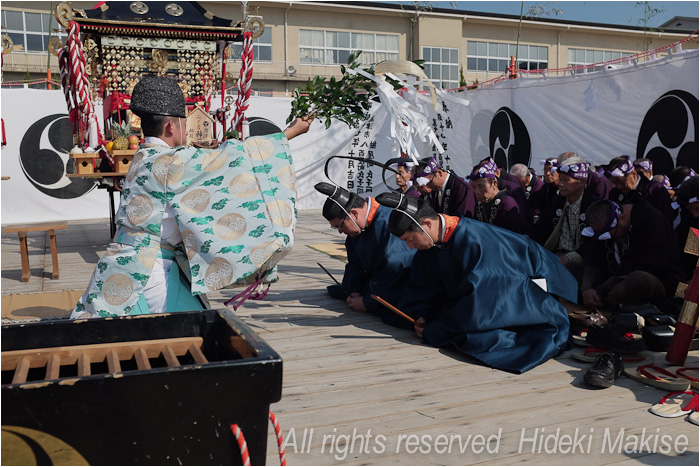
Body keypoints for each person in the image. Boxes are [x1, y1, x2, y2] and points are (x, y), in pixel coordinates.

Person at [72, 75, 311, 319]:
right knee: (195, 332)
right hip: (150, 272)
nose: (187, 133)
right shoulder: (171, 161)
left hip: (124, 263)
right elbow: (234, 158)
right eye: (185, 126)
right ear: (170, 127)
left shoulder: (142, 157)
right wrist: (290, 133)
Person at [375, 193, 577, 373]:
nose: (410, 246)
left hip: (522, 298)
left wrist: (436, 329)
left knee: (483, 340)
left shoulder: (476, 242)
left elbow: (484, 300)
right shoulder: (431, 243)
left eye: (410, 239)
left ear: (427, 224)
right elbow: (423, 284)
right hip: (479, 300)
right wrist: (421, 314)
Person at [315, 182, 415, 326]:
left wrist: (368, 302)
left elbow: (395, 269)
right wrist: (353, 290)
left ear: (354, 213)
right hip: (379, 282)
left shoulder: (389, 223)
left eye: (340, 226)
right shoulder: (357, 228)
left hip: (402, 282)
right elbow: (355, 263)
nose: (340, 232)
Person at [579, 195, 684, 311]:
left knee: (638, 279)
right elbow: (594, 255)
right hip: (611, 275)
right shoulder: (609, 223)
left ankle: (604, 306)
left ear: (622, 218)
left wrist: (600, 292)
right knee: (573, 266)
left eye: (610, 234)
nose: (607, 239)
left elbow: (639, 262)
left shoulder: (652, 220)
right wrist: (587, 288)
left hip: (657, 279)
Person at [532, 157, 599, 285]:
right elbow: (541, 230)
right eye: (560, 179)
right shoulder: (556, 202)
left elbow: (594, 245)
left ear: (582, 181)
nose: (561, 184)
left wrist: (571, 257)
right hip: (554, 255)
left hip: (580, 260)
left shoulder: (593, 206)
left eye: (566, 180)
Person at [607, 155, 673, 223]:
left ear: (633, 174)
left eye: (620, 181)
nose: (618, 186)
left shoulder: (655, 190)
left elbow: (665, 220)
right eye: (614, 182)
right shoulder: (614, 193)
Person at [470, 159, 529, 235]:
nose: (477, 192)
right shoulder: (481, 203)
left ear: (494, 183)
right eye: (473, 187)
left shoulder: (507, 203)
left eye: (480, 186)